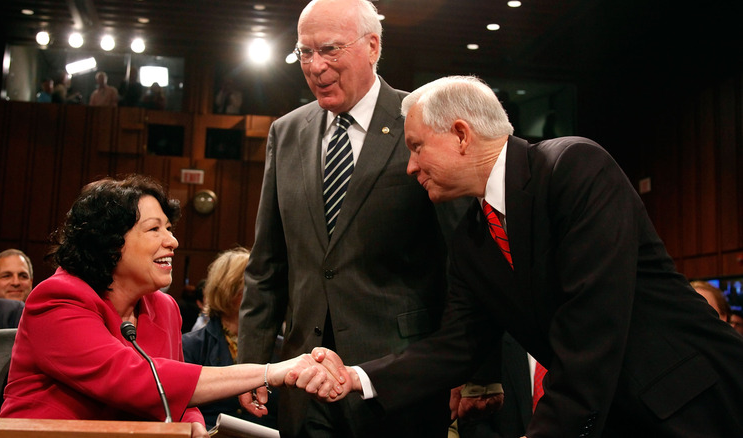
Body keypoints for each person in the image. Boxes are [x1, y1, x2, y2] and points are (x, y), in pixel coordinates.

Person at [291, 75, 743, 437]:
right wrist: (356, 377)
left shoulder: (575, 168)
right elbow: (458, 345)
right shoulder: (471, 236)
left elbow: (592, 329)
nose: (410, 166)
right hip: (614, 414)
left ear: (462, 135)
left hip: (697, 404)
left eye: (416, 146)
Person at [237, 0, 452, 436]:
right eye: (305, 53)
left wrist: (478, 371)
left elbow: (463, 259)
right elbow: (267, 265)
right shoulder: (287, 132)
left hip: (399, 378)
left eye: (330, 50)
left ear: (372, 46)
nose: (315, 66)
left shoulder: (422, 120)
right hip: (304, 379)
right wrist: (252, 366)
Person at [0, 175, 343, 438]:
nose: (173, 241)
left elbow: (178, 398)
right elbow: (138, 381)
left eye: (169, 228)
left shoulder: (164, 308)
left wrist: (191, 423)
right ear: (109, 242)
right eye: (154, 229)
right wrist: (269, 371)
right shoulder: (57, 298)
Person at [183, 247, 279, 429]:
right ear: (229, 289)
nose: (263, 293)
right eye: (254, 285)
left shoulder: (282, 347)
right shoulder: (190, 346)